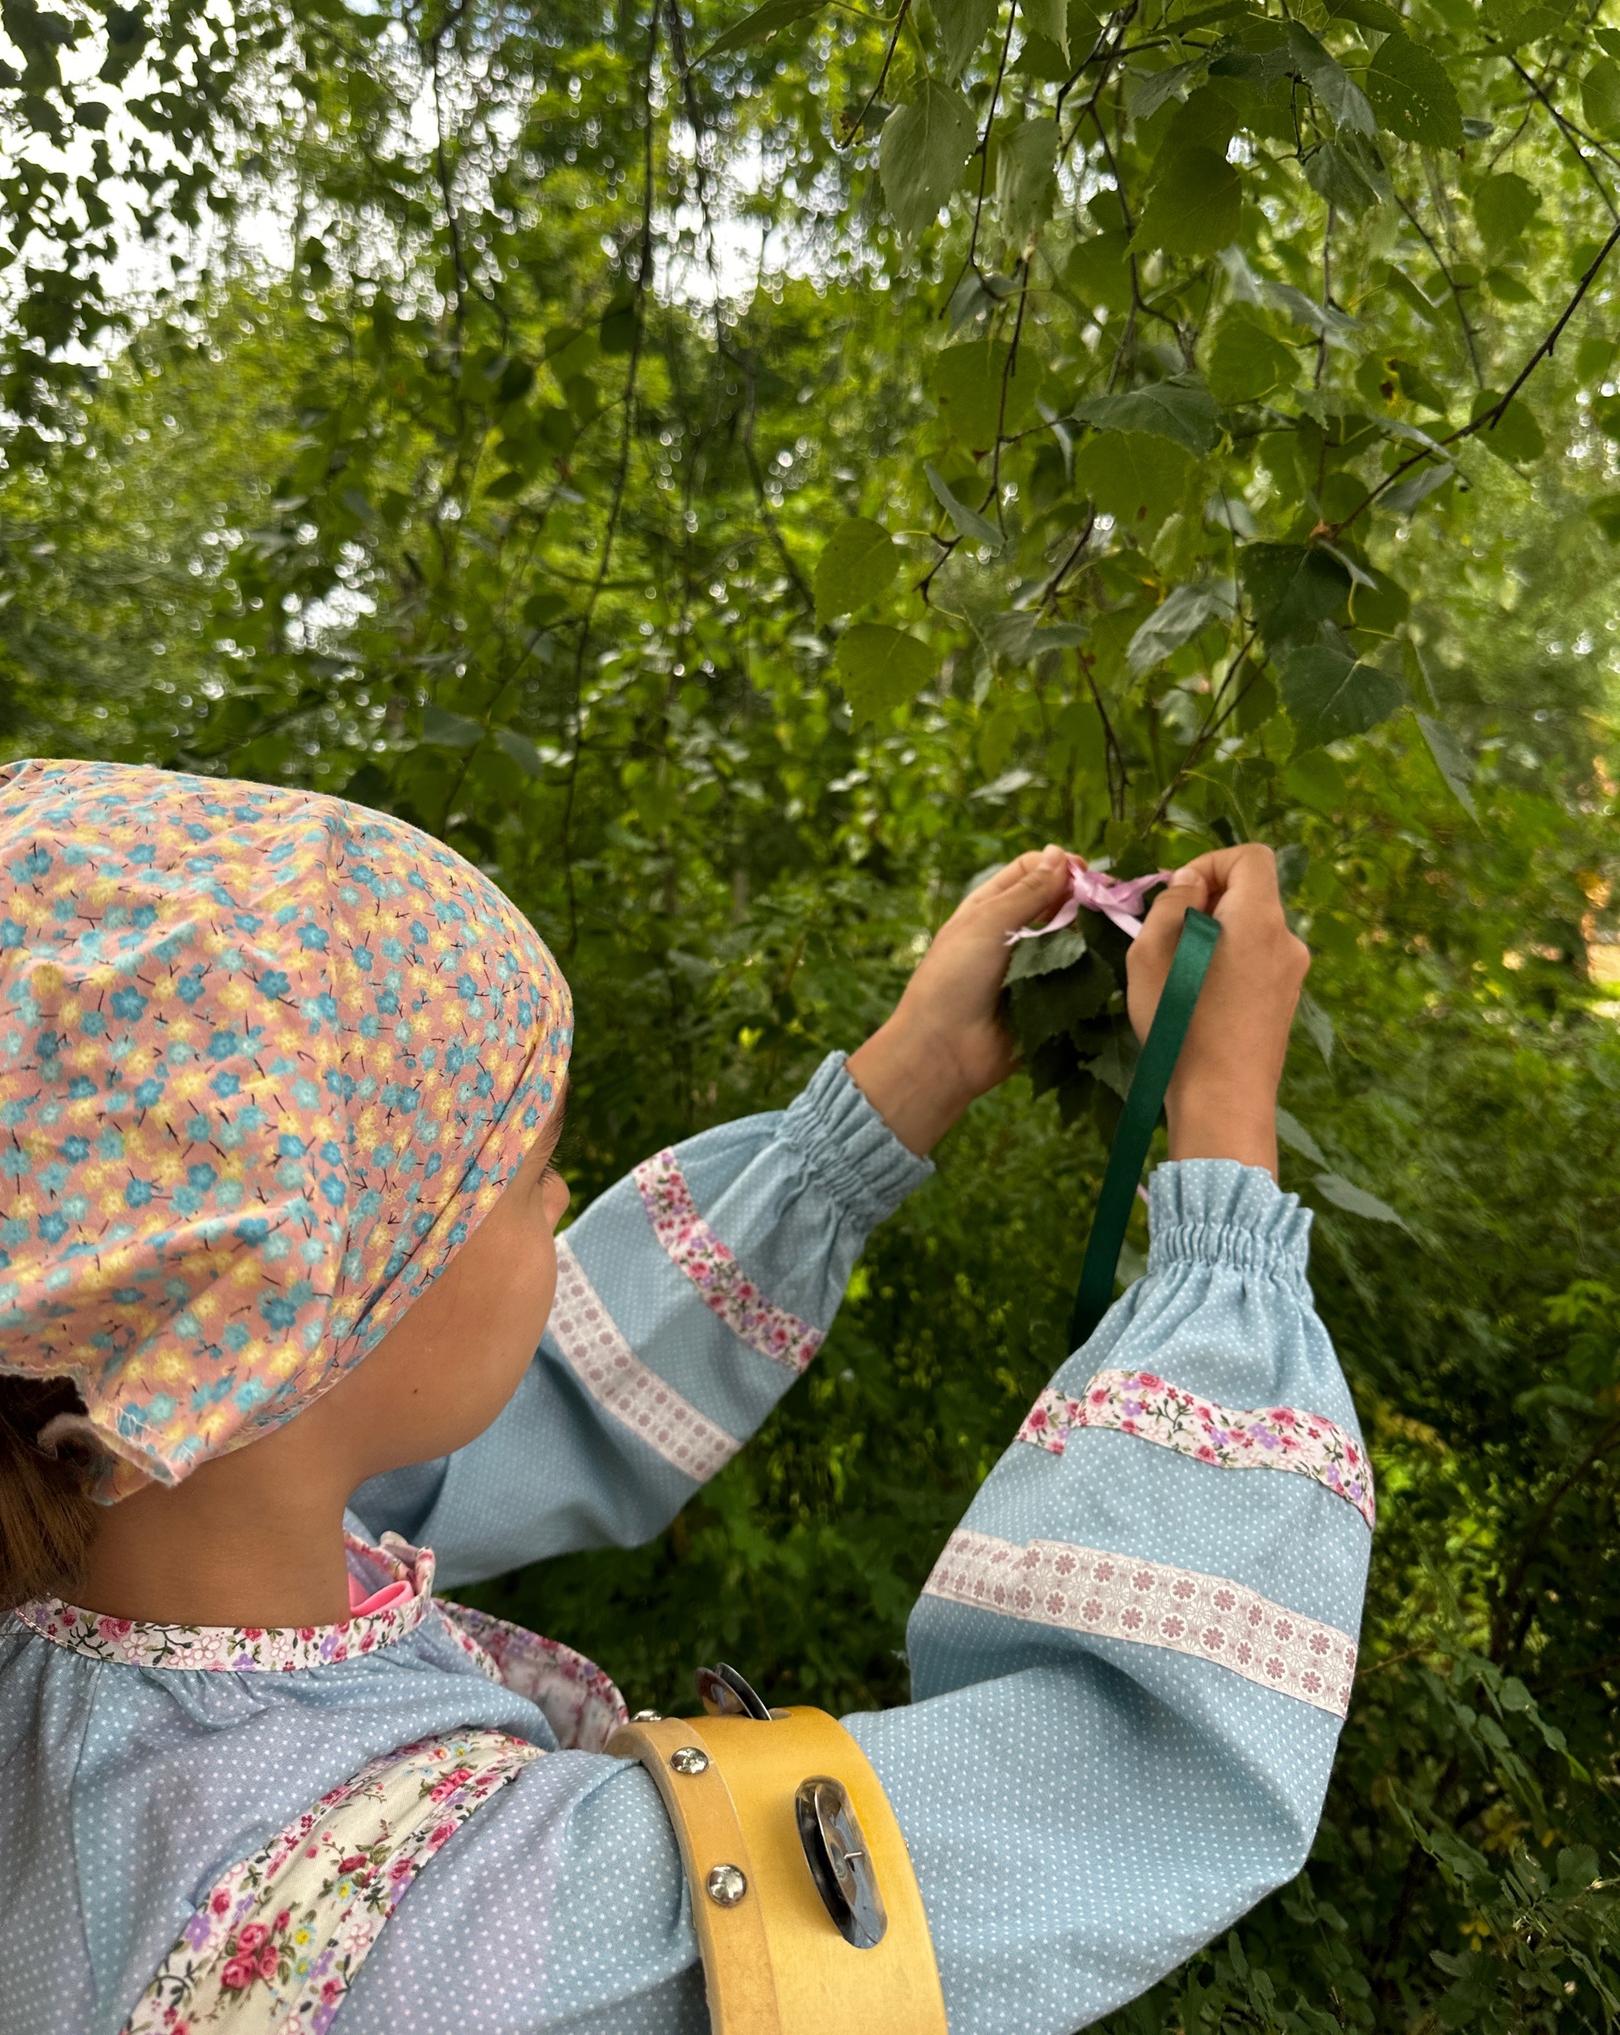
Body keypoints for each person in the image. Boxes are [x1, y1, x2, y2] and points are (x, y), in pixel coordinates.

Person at [0, 756, 1370, 2035]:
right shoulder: (503, 1946)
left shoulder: (98, 1535)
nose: (557, 1193)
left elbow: (476, 1418)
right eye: (521, 1167)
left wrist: (906, 1086)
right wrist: (1223, 1168)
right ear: (315, 1301)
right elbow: (1131, 1775)